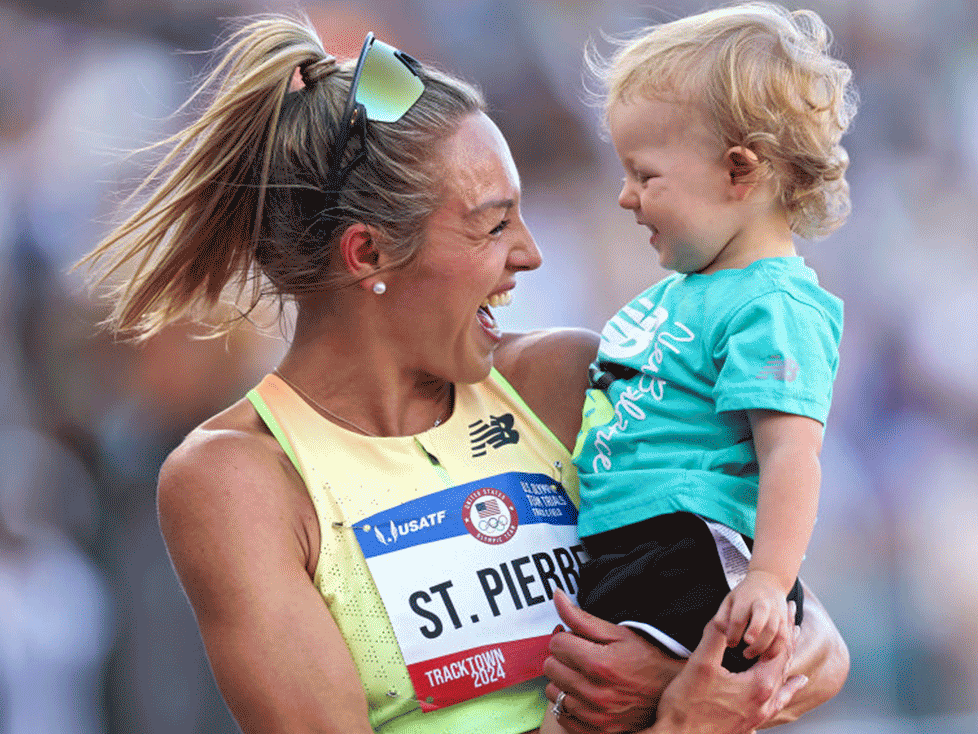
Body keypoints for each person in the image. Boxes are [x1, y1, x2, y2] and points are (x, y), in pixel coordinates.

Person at [79, 13, 847, 734]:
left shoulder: (563, 375)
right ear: (369, 254)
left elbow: (816, 640)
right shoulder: (238, 477)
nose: (530, 254)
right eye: (493, 223)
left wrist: (679, 672)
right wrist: (682, 717)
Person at [548, 4, 856, 731]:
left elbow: (790, 453)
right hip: (623, 545)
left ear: (738, 170)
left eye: (644, 174)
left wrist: (770, 581)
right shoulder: (683, 292)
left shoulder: (773, 303)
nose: (625, 196)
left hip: (685, 549)